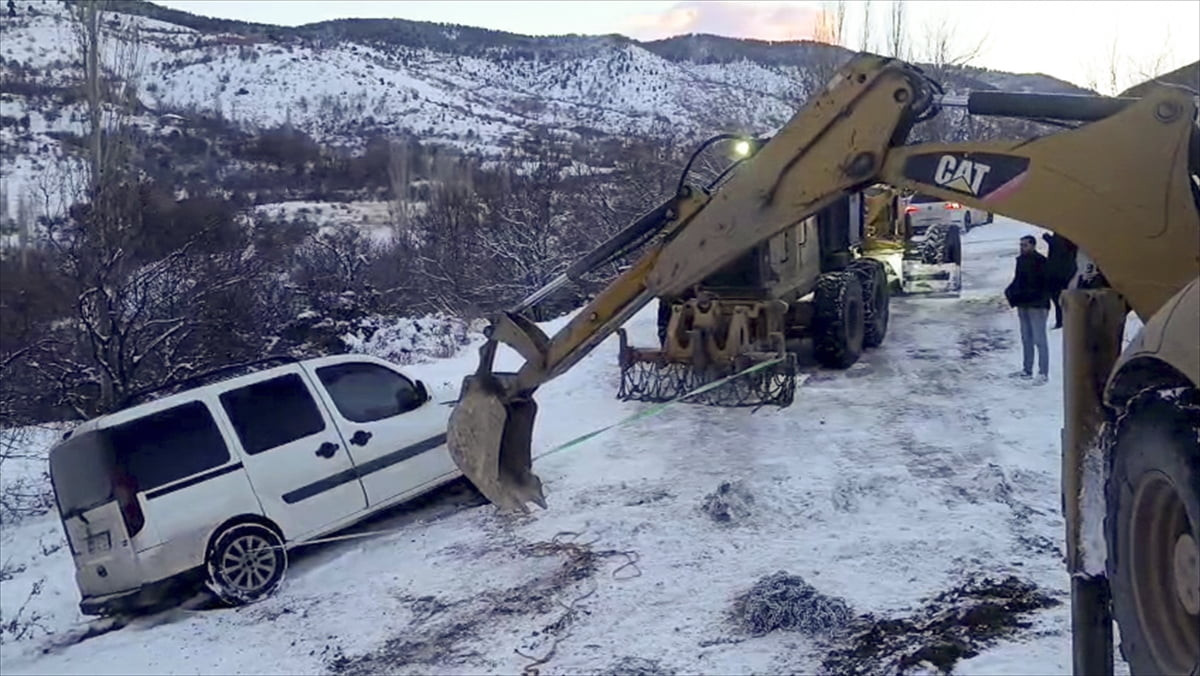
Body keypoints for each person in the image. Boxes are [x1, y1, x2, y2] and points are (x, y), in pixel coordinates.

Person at [1004, 235, 1051, 384]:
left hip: (1037, 305)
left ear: (1033, 245)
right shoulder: (1020, 261)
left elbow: (1044, 284)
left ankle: (1043, 372)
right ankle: (1027, 369)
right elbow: (1018, 280)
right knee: (1026, 338)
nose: (1022, 248)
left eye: (1025, 245)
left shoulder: (1041, 262)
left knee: (1039, 339)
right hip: (1023, 304)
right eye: (1021, 245)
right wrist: (1012, 293)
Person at [1041, 232, 1077, 329]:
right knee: (1059, 301)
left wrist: (1047, 238)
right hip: (1062, 273)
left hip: (1060, 274)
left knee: (1059, 300)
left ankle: (1062, 321)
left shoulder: (1063, 236)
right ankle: (1062, 321)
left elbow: (1058, 245)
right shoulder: (1068, 237)